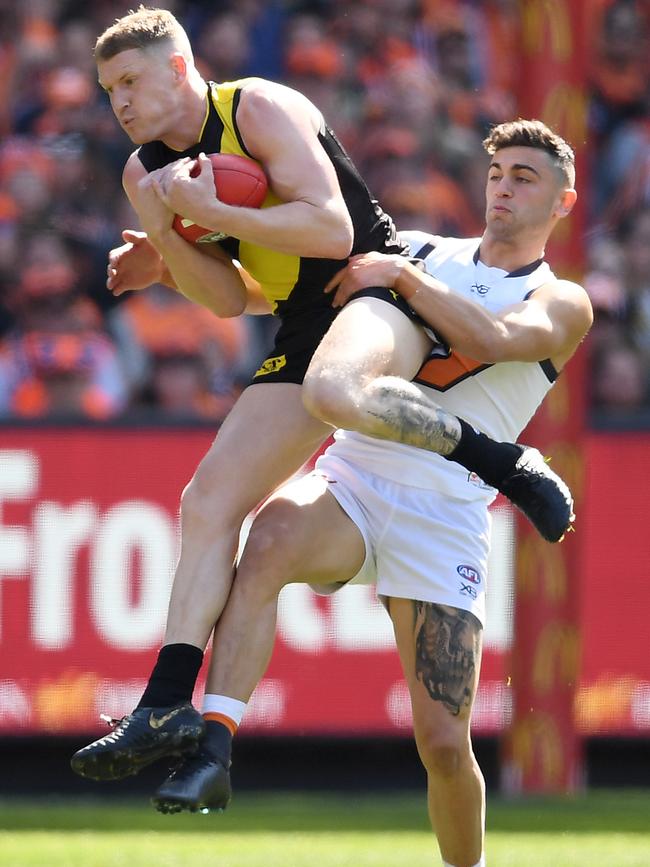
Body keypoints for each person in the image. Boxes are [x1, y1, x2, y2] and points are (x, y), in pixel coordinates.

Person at [70, 8, 574, 784]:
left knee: (339, 391)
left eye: (132, 81)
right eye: (109, 90)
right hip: (300, 322)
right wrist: (170, 246)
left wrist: (213, 213)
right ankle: (167, 701)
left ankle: (501, 459)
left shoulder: (256, 108)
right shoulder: (144, 174)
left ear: (179, 68)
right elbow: (231, 300)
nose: (121, 104)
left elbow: (334, 231)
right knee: (205, 502)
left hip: (372, 289)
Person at [151, 122, 592, 867]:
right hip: (356, 475)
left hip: (444, 511)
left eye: (525, 178)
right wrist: (169, 263)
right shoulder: (421, 248)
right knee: (267, 540)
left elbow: (491, 339)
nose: (505, 188)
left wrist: (401, 280)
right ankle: (215, 748)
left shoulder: (562, 300)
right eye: (497, 173)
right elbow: (279, 290)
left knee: (445, 746)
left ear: (563, 202)